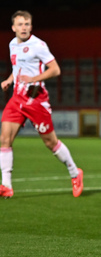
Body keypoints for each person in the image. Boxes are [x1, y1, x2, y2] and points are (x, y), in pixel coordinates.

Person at [0, 10, 83, 199]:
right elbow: (18, 67)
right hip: (17, 99)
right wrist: (9, 79)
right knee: (5, 139)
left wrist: (34, 79)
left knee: (50, 142)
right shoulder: (12, 44)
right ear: (13, 28)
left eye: (27, 24)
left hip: (36, 99)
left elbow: (55, 70)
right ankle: (6, 186)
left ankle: (75, 173)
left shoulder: (38, 45)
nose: (24, 28)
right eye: (20, 24)